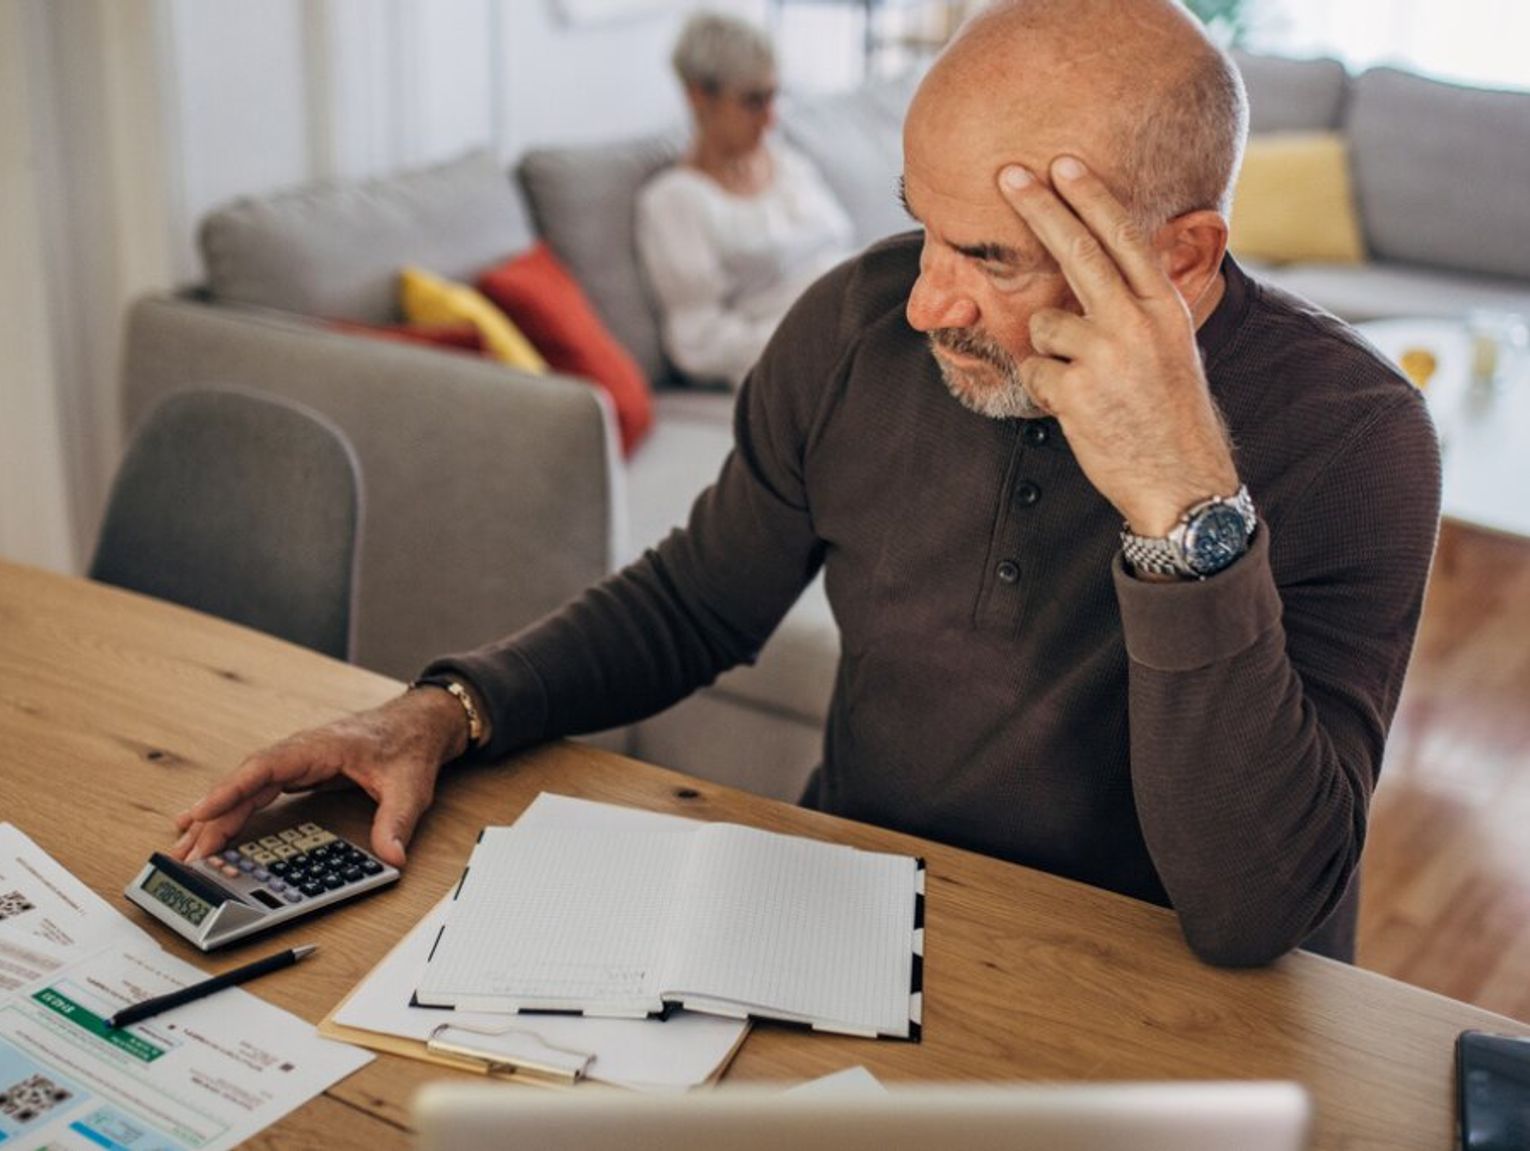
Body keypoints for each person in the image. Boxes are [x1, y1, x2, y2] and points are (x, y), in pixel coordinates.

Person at [174, 0, 1440, 968]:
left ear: (1181, 253)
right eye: (923, 225)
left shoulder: (1355, 438)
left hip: (1145, 983)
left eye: (992, 255)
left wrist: (1182, 508)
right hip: (846, 919)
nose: (927, 298)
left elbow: (1254, 908)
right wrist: (445, 709)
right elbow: (693, 603)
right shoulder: (857, 323)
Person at [635, 11, 854, 386]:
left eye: (774, 97)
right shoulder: (674, 202)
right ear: (698, 96)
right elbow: (697, 342)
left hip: (861, 320)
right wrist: (813, 338)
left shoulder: (788, 165)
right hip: (808, 361)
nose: (771, 118)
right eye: (753, 101)